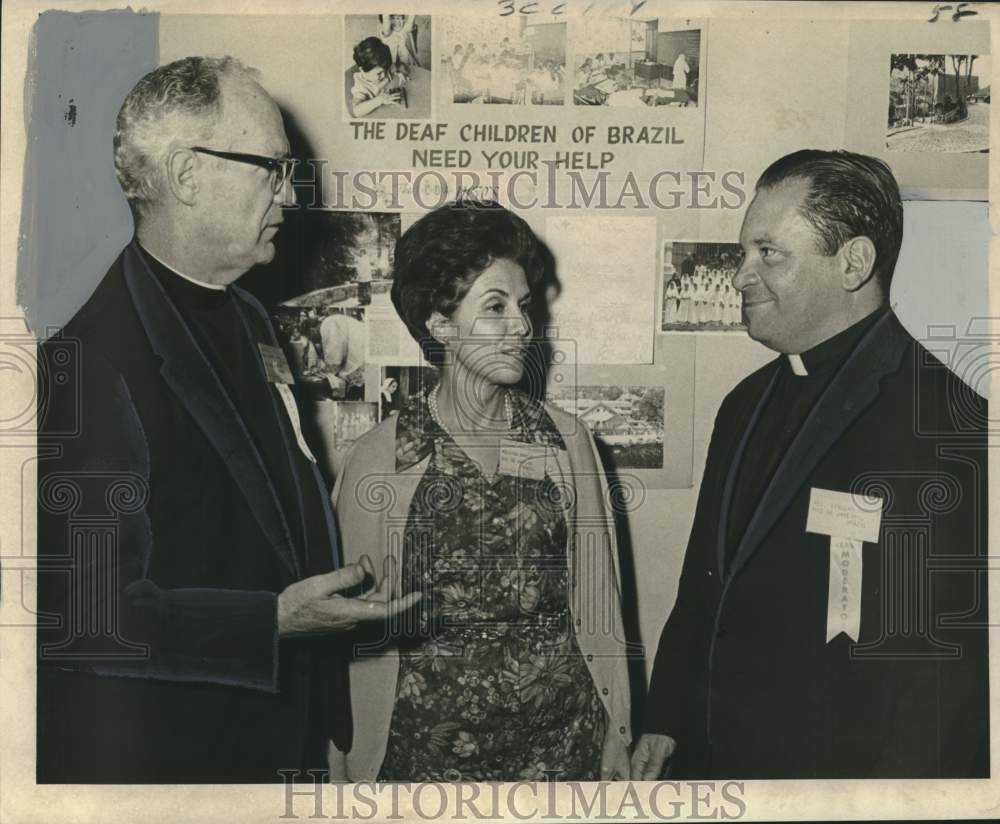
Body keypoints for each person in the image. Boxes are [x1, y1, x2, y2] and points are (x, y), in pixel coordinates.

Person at [35, 56, 419, 783]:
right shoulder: (87, 362)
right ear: (185, 176)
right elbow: (86, 614)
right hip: (179, 763)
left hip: (283, 743)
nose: (290, 192)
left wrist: (324, 720)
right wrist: (271, 621)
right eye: (271, 167)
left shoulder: (248, 317)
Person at [632, 149, 989, 780]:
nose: (740, 275)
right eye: (744, 252)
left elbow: (945, 682)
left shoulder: (949, 422)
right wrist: (666, 720)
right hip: (721, 769)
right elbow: (703, 588)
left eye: (768, 253)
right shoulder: (743, 404)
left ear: (853, 263)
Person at [330, 201, 633, 782]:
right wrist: (341, 754)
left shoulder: (567, 441)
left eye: (523, 306)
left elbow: (598, 597)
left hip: (562, 748)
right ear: (440, 324)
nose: (521, 325)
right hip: (424, 755)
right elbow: (347, 627)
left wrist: (618, 727)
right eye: (495, 308)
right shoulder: (381, 456)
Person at [350, 37, 403, 118]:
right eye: (379, 73)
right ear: (362, 70)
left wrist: (401, 72)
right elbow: (356, 111)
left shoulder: (383, 68)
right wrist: (379, 100)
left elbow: (399, 65)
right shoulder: (361, 86)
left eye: (385, 70)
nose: (384, 75)